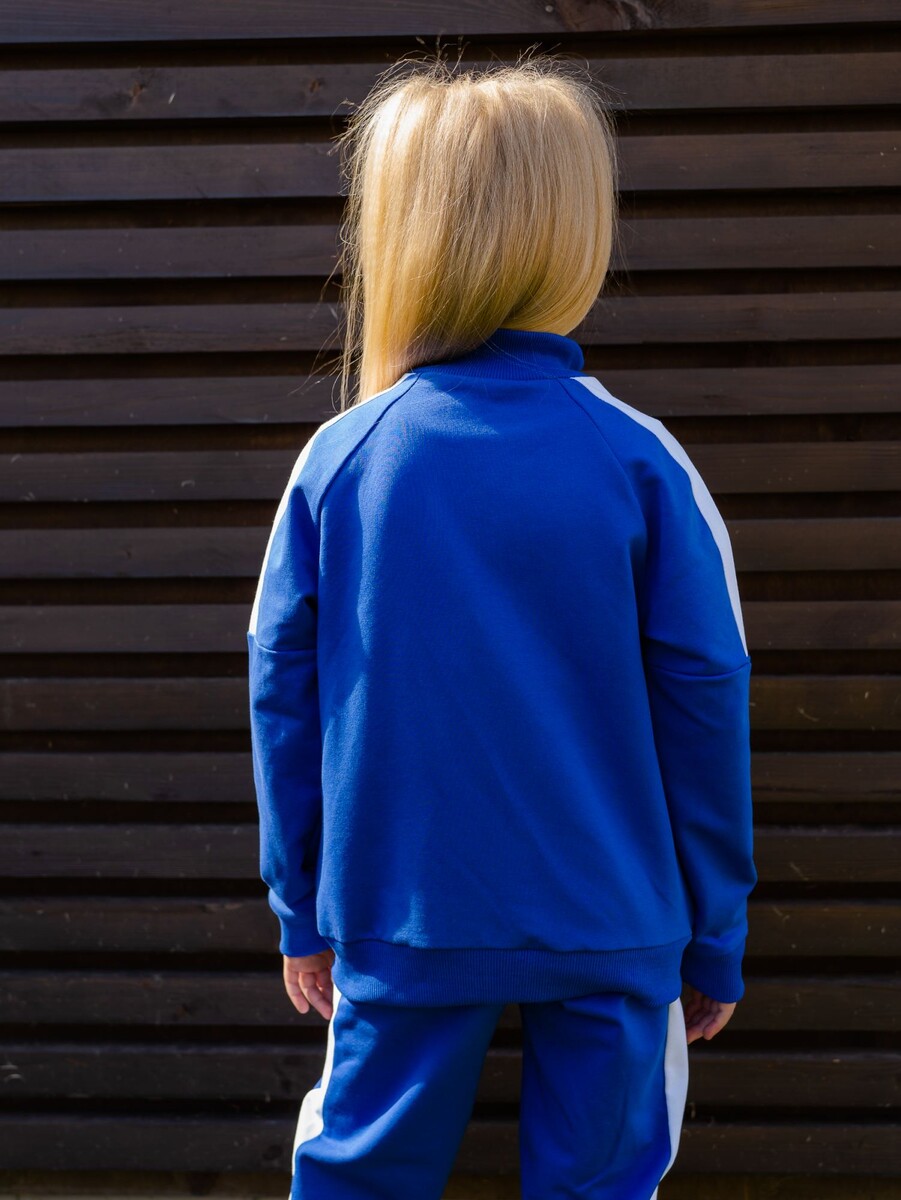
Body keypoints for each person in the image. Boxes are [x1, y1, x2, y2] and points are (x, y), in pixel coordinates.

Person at [247, 49, 758, 1200]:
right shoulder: (640, 461)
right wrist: (714, 932)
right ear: (575, 230)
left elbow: (282, 690)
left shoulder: (344, 460)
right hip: (613, 915)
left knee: (357, 1182)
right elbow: (706, 700)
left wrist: (302, 908)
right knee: (601, 1186)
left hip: (402, 915)